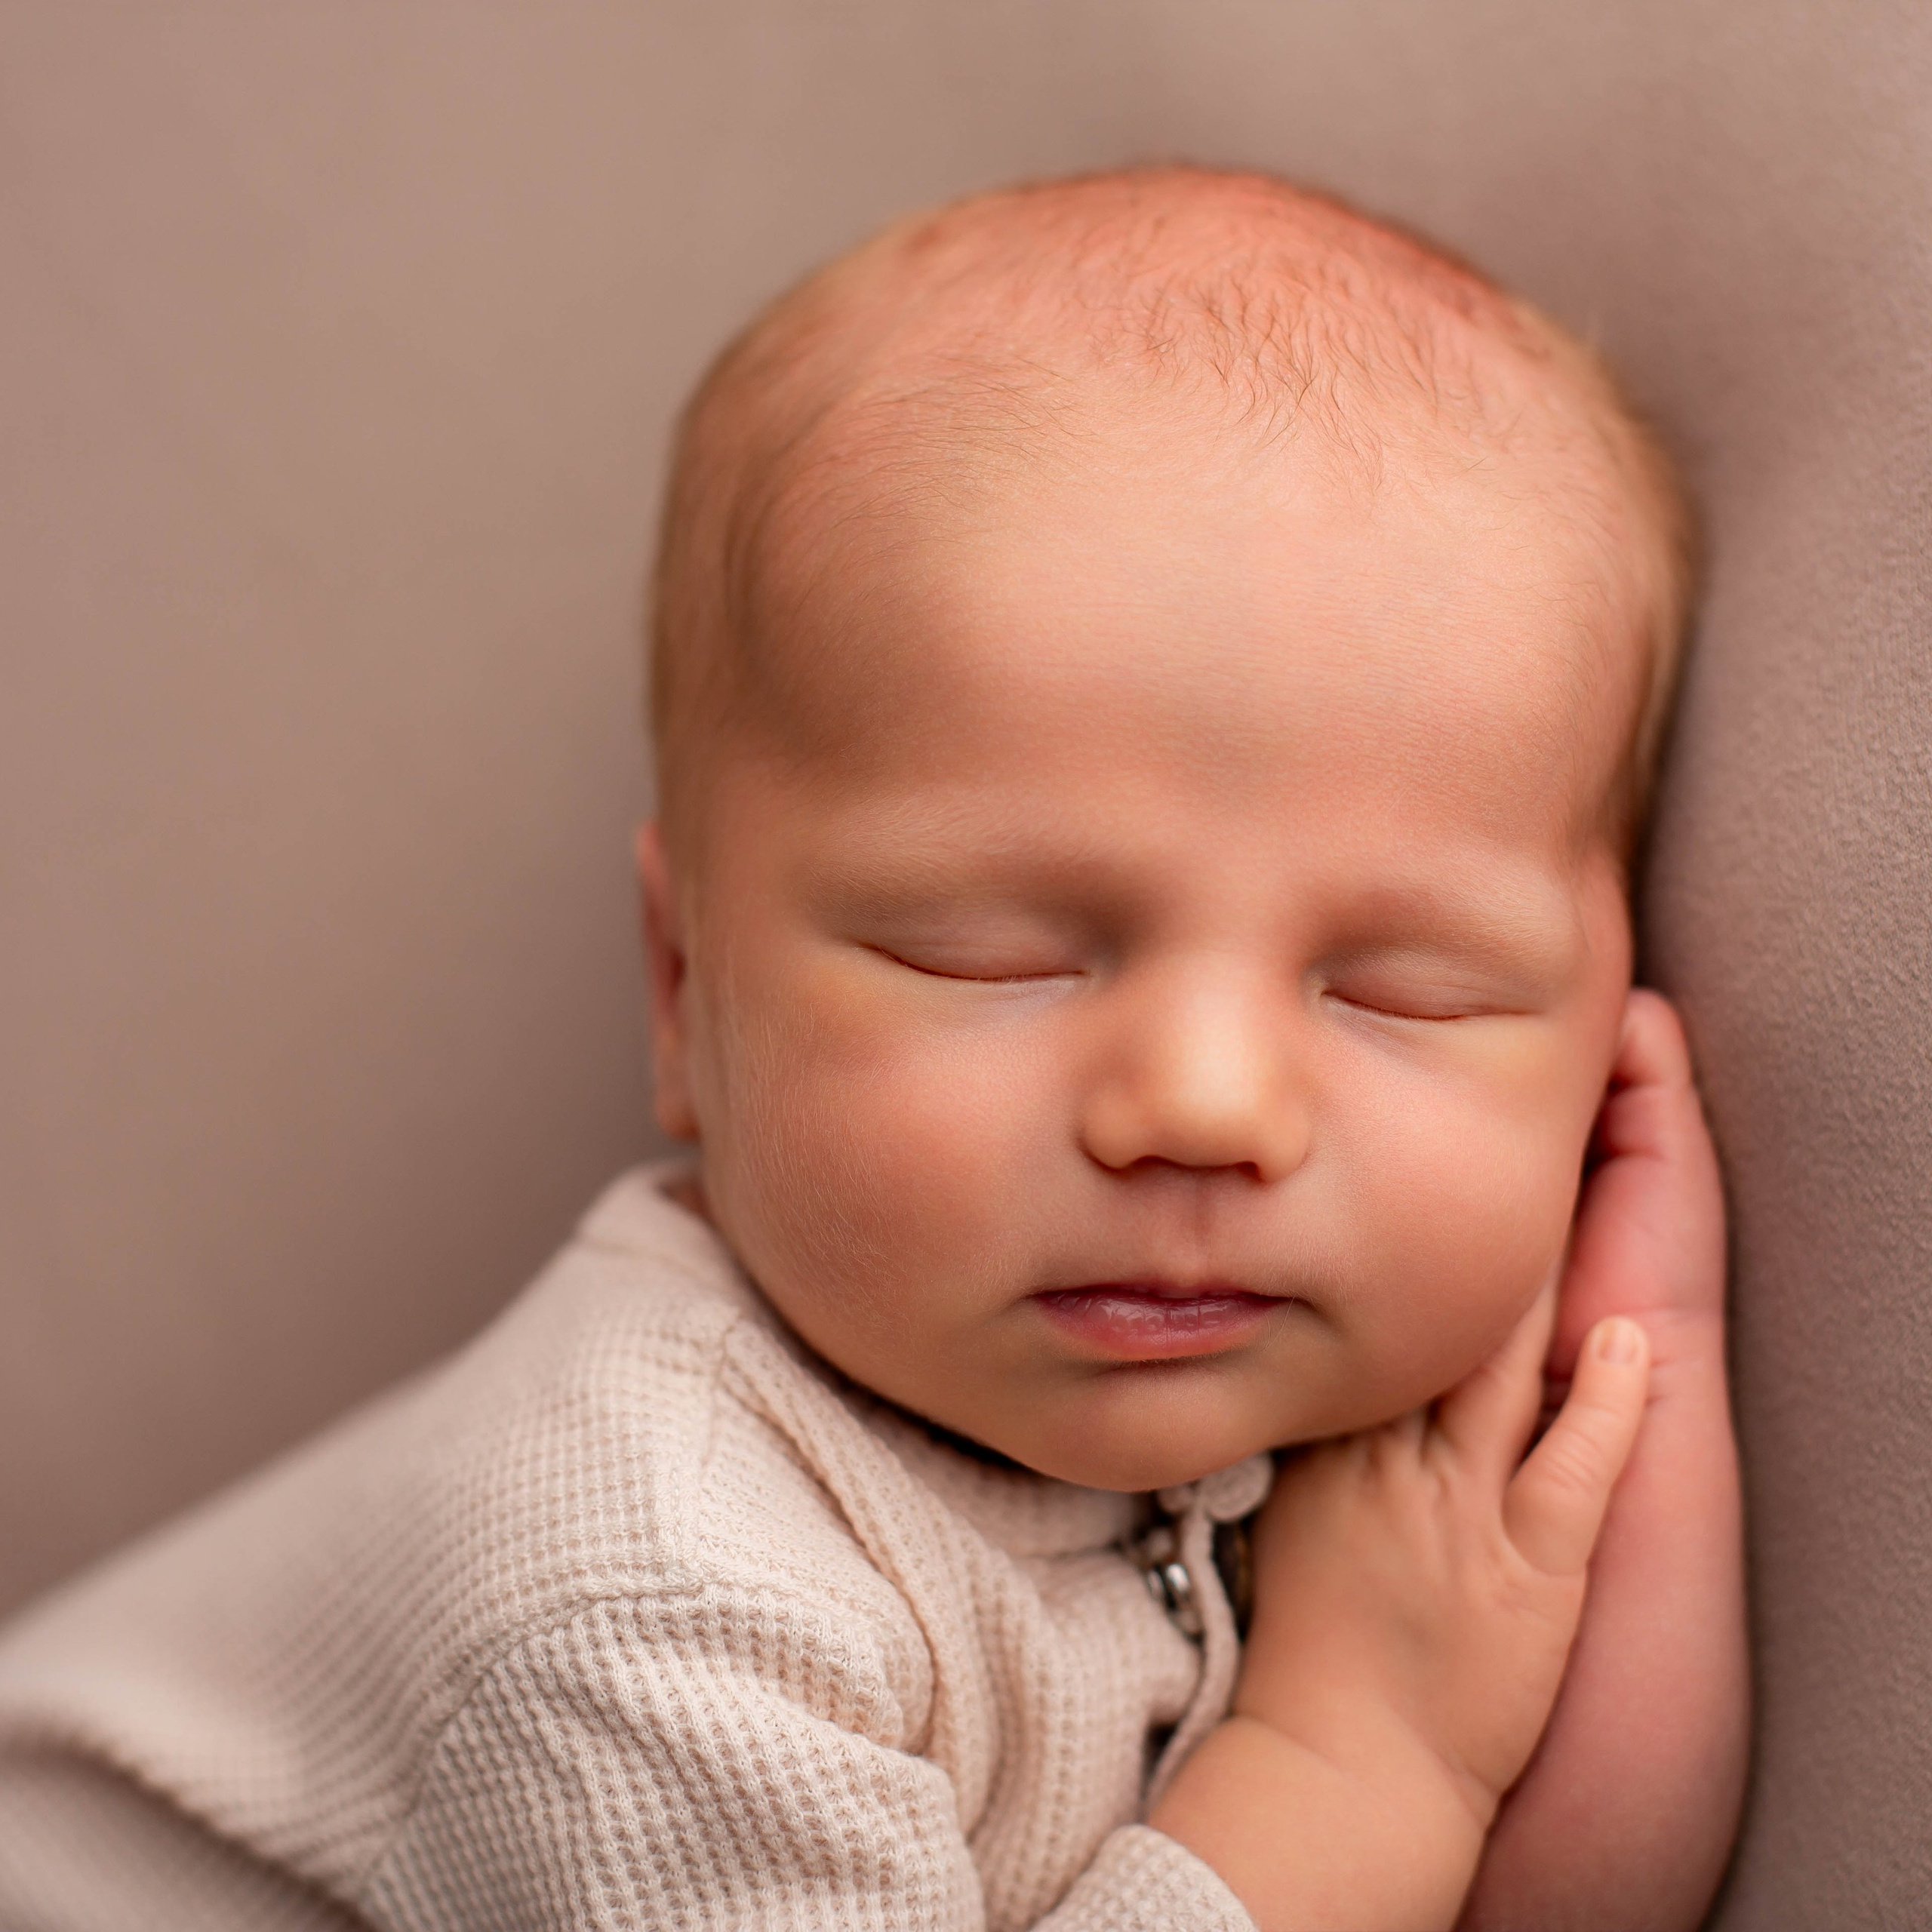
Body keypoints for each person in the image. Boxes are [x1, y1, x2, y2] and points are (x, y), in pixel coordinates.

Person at [0, 166, 1746, 1931]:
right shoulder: (650, 1585)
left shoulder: (1329, 1402)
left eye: (1406, 990)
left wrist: (1635, 1359)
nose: (1203, 1105)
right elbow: (1398, 1795)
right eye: (983, 953)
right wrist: (1346, 1760)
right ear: (687, 995)